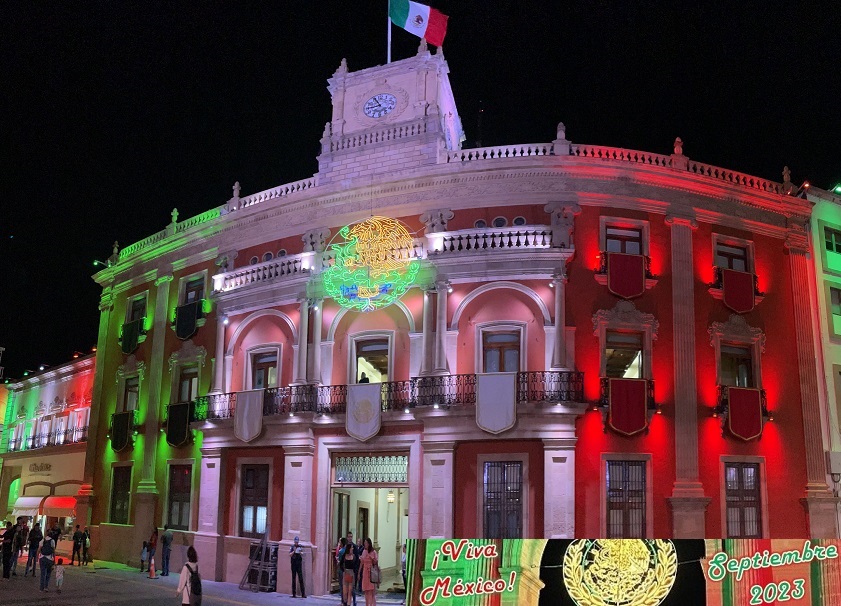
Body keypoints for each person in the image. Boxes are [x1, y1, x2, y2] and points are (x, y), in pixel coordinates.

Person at [340, 535, 359, 606]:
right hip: (346, 573)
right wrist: (343, 570)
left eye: (352, 548)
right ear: (348, 549)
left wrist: (354, 571)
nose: (352, 549)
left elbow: (356, 564)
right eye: (351, 548)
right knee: (345, 590)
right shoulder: (345, 555)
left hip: (351, 573)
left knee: (350, 590)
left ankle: (349, 603)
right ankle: (345, 602)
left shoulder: (353, 556)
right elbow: (341, 564)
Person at [359, 537, 379, 606]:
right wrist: (359, 573)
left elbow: (376, 562)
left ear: (369, 544)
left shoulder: (373, 552)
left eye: (366, 543)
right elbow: (361, 563)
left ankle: (372, 604)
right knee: (366, 590)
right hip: (365, 571)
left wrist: (371, 557)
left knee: (371, 590)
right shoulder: (364, 551)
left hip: (371, 572)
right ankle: (367, 604)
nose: (365, 544)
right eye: (364, 543)